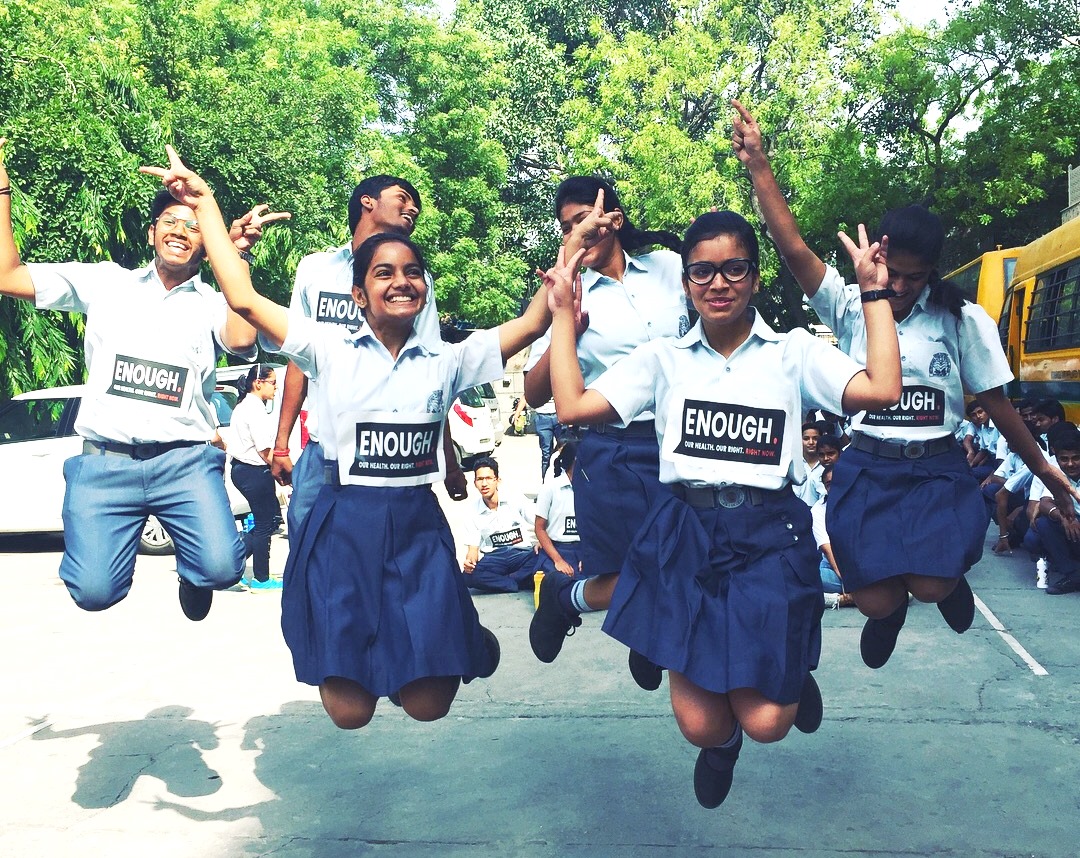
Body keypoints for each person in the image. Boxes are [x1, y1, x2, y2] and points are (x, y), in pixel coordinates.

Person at [142, 146, 562, 728]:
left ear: (424, 290)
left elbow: (533, 322)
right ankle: (409, 644)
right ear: (359, 295)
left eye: (412, 272)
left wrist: (572, 253)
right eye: (383, 273)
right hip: (345, 524)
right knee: (349, 712)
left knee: (428, 705)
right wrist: (206, 205)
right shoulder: (328, 348)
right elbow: (241, 297)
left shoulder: (448, 359)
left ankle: (460, 636)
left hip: (416, 525)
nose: (401, 282)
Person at [543, 204, 901, 808]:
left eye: (734, 269)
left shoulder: (792, 353)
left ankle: (784, 673)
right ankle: (720, 745)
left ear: (756, 278)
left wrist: (872, 294)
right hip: (687, 533)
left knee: (767, 721)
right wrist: (560, 319)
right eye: (702, 271)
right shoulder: (663, 359)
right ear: (685, 282)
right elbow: (573, 407)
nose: (718, 283)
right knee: (704, 724)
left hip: (769, 534)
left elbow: (883, 390)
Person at [734, 100, 1080, 670]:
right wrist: (760, 167)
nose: (897, 285)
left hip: (936, 469)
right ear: (877, 254)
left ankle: (947, 585)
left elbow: (998, 403)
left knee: (933, 584)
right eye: (890, 271)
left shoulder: (960, 320)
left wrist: (1047, 471)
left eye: (913, 278)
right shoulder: (850, 306)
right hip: (869, 467)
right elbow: (794, 250)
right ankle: (888, 614)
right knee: (877, 597)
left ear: (932, 273)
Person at [0, 138, 288, 621]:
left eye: (194, 227)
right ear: (152, 233)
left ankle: (196, 576)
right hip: (107, 464)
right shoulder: (106, 284)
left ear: (205, 242)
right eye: (170, 223)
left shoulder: (213, 303)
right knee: (94, 593)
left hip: (184, 464)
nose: (180, 231)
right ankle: (104, 544)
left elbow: (241, 339)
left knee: (221, 568)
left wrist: (236, 253)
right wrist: (3, 188)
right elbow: (8, 275)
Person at [524, 176, 688, 690]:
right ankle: (562, 597)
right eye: (567, 226)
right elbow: (533, 393)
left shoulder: (671, 267)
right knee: (626, 574)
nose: (578, 232)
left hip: (687, 443)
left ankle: (650, 636)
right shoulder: (562, 287)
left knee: (692, 564)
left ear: (614, 220)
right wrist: (565, 326)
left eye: (586, 220)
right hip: (612, 449)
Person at [269, 174, 468, 542]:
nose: (413, 209)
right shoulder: (316, 270)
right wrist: (281, 442)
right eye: (404, 198)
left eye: (416, 207)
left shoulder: (412, 283)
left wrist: (450, 463)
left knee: (389, 560)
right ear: (367, 202)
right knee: (308, 550)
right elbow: (296, 360)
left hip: (391, 453)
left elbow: (430, 372)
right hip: (324, 451)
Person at [228, 363, 283, 591]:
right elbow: (264, 450)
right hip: (252, 471)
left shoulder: (248, 406)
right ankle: (260, 578)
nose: (276, 388)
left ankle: (235, 567)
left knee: (270, 521)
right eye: (272, 383)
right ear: (258, 383)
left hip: (246, 471)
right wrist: (285, 472)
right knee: (264, 523)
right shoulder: (253, 409)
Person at [461, 457, 541, 594]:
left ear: (497, 480)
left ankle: (506, 582)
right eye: (480, 479)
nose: (484, 484)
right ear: (474, 483)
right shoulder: (472, 510)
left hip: (521, 554)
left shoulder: (515, 498)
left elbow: (539, 521)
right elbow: (473, 550)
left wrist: (542, 540)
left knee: (545, 556)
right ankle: (516, 582)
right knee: (467, 576)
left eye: (488, 478)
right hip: (494, 558)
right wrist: (470, 562)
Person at [534, 441, 587, 579]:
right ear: (575, 460)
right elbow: (540, 528)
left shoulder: (591, 488)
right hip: (556, 550)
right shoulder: (551, 487)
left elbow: (597, 527)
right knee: (559, 581)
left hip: (583, 549)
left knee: (594, 583)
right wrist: (558, 560)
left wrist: (588, 555)